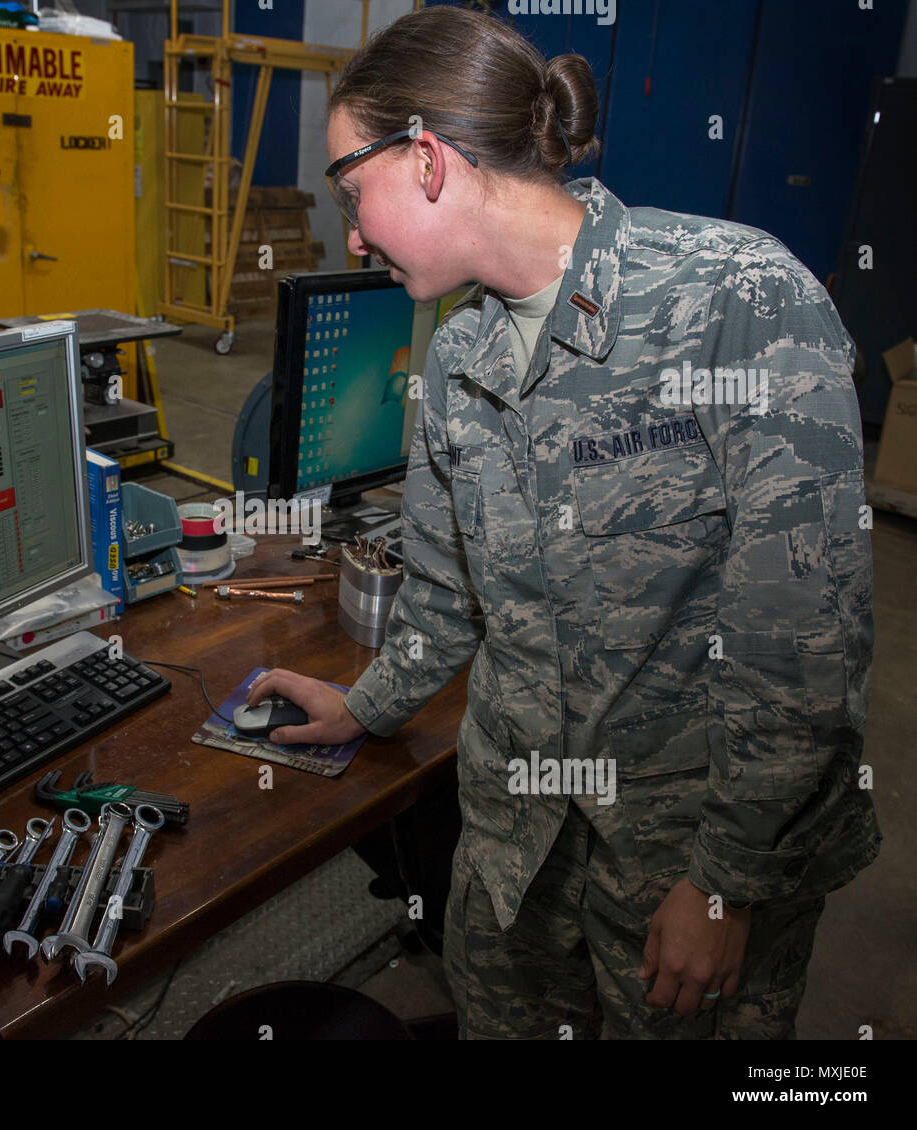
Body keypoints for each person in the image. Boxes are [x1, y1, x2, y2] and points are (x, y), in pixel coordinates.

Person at [244, 5, 880, 1039]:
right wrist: (365, 704)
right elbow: (448, 600)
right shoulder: (457, 361)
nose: (351, 230)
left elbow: (803, 645)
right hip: (510, 856)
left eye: (353, 190)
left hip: (682, 865)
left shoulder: (738, 298)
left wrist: (726, 880)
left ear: (428, 159)